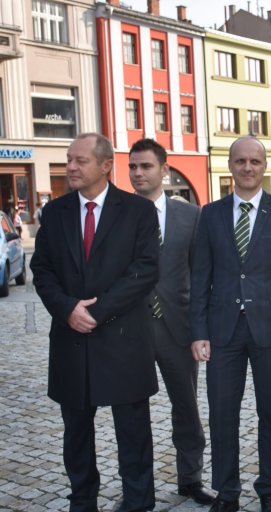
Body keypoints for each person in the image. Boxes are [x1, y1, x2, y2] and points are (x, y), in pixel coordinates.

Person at [30, 133, 160, 512]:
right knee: (77, 434)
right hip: (72, 341)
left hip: (122, 340)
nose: (70, 166)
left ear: (105, 166)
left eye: (80, 160)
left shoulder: (138, 211)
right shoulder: (54, 213)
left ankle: (138, 501)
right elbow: (42, 271)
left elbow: (145, 271)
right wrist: (68, 309)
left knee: (133, 433)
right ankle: (82, 499)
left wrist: (96, 312)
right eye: (69, 159)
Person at [189, 136, 271, 512]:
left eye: (255, 161)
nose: (247, 168)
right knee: (223, 415)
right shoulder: (210, 214)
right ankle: (227, 493)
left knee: (270, 413)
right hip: (223, 331)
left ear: (264, 165)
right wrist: (198, 332)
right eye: (240, 161)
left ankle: (268, 487)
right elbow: (200, 278)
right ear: (231, 165)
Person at [128, 139, 214, 505]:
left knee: (187, 408)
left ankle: (190, 479)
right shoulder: (121, 214)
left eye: (145, 166)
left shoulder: (190, 216)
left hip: (178, 328)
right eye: (132, 167)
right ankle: (137, 490)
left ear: (164, 170)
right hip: (130, 329)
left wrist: (201, 328)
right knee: (132, 414)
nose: (137, 174)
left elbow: (200, 275)